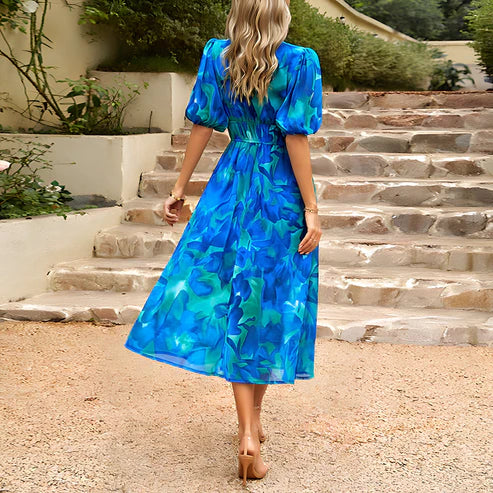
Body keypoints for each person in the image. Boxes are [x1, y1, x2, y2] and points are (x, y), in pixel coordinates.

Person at [124, 0, 323, 485]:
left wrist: (179, 188)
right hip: (278, 193)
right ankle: (250, 433)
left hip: (229, 186)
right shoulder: (300, 61)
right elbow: (296, 139)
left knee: (235, 301)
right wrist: (312, 210)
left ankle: (250, 428)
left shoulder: (218, 55)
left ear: (238, 15)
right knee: (267, 303)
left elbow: (203, 124)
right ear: (280, 17)